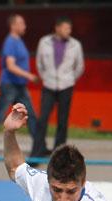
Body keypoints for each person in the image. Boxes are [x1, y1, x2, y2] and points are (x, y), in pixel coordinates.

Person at [0, 14, 39, 156]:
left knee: (31, 116)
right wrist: (29, 76)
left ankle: (39, 146)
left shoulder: (18, 41)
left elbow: (5, 66)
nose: (24, 26)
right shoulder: (10, 42)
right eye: (21, 23)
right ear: (13, 26)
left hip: (18, 86)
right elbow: (10, 66)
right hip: (11, 86)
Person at [30, 16, 84, 158]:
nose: (69, 31)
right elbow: (39, 63)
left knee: (62, 120)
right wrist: (46, 77)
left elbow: (79, 67)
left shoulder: (75, 45)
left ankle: (59, 154)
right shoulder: (44, 42)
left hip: (66, 85)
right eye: (66, 28)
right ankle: (37, 151)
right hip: (49, 85)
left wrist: (70, 79)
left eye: (70, 28)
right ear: (57, 28)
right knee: (43, 119)